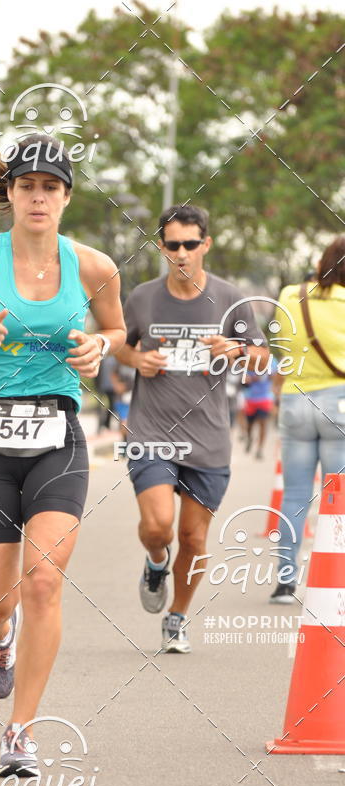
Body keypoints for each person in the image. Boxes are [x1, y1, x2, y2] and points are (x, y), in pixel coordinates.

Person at [0, 134, 126, 773]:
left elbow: (116, 328)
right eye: (27, 186)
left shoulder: (94, 267)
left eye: (50, 187)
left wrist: (100, 346)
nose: (39, 197)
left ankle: (20, 732)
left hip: (56, 438)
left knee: (42, 580)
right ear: (9, 193)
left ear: (66, 197)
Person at [115, 204, 268, 652]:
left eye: (190, 244)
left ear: (206, 245)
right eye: (172, 245)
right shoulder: (142, 297)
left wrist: (236, 350)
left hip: (208, 437)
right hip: (152, 432)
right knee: (159, 527)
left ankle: (177, 616)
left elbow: (263, 360)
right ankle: (155, 561)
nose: (181, 253)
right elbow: (117, 344)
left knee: (193, 537)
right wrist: (137, 358)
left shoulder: (230, 298)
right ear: (161, 247)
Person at [269, 236, 345, 604]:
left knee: (295, 495)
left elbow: (281, 348)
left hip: (295, 400)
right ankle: (335, 579)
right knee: (337, 496)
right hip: (339, 404)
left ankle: (285, 582)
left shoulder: (289, 296)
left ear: (321, 262)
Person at [243, 363, 276, 459]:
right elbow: (245, 380)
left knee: (263, 424)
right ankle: (249, 438)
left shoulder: (272, 362)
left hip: (265, 398)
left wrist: (268, 375)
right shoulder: (249, 361)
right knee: (249, 425)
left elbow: (275, 376)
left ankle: (260, 449)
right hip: (250, 398)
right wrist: (252, 378)